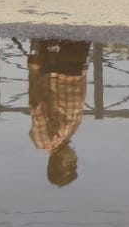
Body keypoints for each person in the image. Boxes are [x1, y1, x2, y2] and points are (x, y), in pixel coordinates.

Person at [27, 39, 90, 187]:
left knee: (56, 31)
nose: (75, 160)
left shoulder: (45, 142)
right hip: (76, 69)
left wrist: (34, 68)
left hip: (56, 71)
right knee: (81, 31)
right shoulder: (66, 137)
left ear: (57, 165)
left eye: (71, 166)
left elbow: (36, 105)